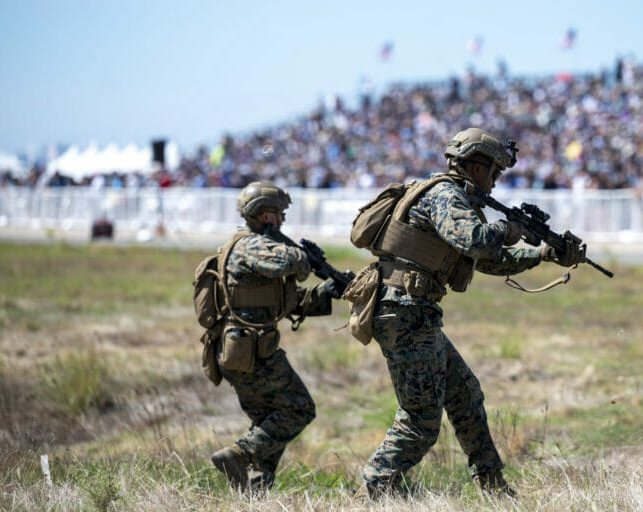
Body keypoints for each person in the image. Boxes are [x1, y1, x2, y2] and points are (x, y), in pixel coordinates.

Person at [360, 128, 585, 498]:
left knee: (465, 394)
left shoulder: (454, 198)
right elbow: (476, 242)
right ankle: (377, 484)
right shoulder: (445, 195)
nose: (495, 183)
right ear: (476, 166)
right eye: (494, 173)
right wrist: (512, 228)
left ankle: (492, 485)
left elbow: (489, 262)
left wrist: (545, 254)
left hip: (413, 312)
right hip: (405, 311)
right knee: (420, 421)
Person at [210, 181, 345, 491]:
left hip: (243, 349)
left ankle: (257, 490)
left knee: (270, 423)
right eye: (280, 214)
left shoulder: (256, 247)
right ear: (266, 216)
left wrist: (326, 291)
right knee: (299, 409)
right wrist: (306, 258)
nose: (284, 220)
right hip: (250, 351)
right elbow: (291, 264)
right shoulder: (250, 246)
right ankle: (238, 455)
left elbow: (280, 300)